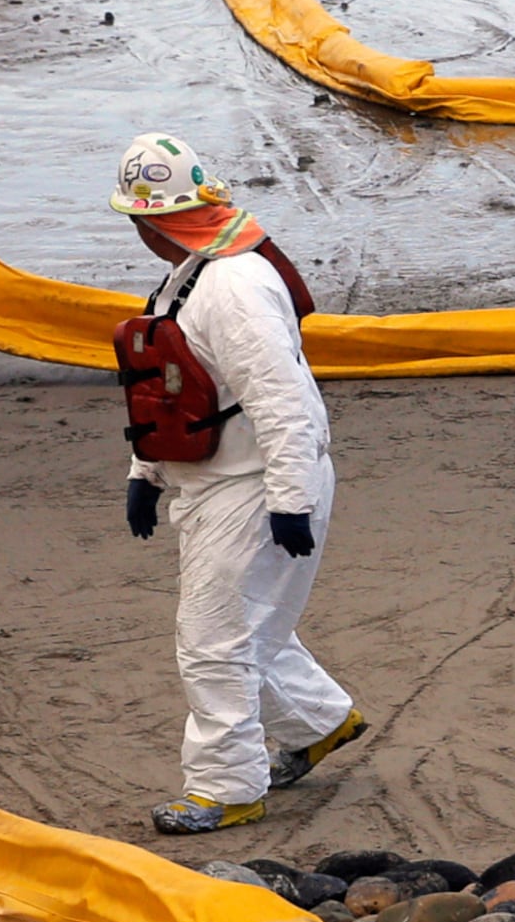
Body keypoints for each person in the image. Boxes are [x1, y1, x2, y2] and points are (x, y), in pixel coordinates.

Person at [105, 132, 365, 833]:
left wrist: (288, 501)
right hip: (218, 480)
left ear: (152, 220)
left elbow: (286, 402)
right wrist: (147, 473)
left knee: (213, 638)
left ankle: (225, 787)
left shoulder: (233, 286)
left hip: (255, 486)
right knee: (254, 629)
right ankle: (320, 724)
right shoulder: (190, 274)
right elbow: (168, 386)